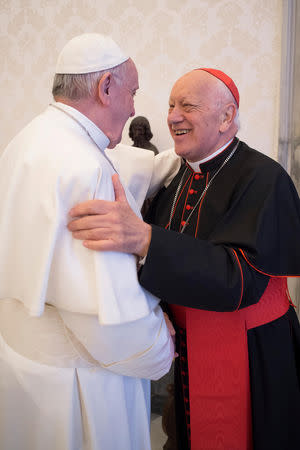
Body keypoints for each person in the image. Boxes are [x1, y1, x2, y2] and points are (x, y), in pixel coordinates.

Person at [68, 68, 300, 450]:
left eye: (187, 106)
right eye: (171, 105)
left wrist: (145, 239)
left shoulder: (264, 178)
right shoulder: (178, 174)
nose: (173, 116)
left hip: (252, 355)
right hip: (186, 349)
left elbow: (238, 280)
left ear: (227, 117)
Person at [0, 33, 182, 450]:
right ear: (105, 88)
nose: (136, 107)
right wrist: (159, 344)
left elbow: (130, 165)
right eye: (132, 92)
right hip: (77, 384)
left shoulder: (30, 139)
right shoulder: (84, 166)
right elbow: (105, 323)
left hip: (23, 369)